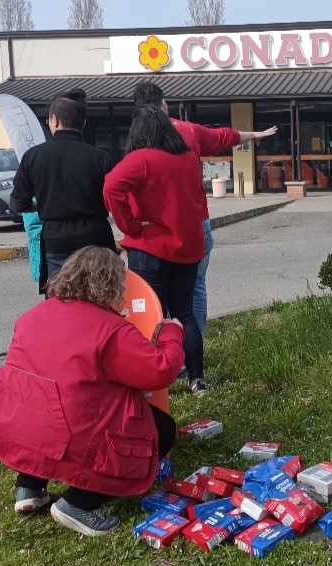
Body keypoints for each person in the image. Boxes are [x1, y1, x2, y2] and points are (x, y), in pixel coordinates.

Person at [0, 246, 184, 537]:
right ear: (113, 284)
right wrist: (171, 333)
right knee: (161, 428)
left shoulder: (33, 315)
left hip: (9, 424)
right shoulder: (111, 330)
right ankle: (78, 504)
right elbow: (159, 371)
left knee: (42, 409)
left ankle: (29, 487)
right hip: (62, 432)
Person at [132, 81, 277, 383]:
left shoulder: (139, 138)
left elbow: (120, 184)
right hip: (196, 227)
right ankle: (191, 361)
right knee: (192, 293)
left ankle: (160, 361)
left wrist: (131, 224)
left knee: (156, 298)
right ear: (165, 104)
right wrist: (256, 135)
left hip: (156, 232)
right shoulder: (188, 131)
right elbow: (225, 136)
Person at [103, 105, 209, 396]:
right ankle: (197, 378)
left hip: (150, 250)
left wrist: (131, 226)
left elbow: (111, 187)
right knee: (185, 313)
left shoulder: (141, 160)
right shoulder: (188, 157)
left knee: (150, 315)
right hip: (187, 248)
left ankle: (151, 380)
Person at [10, 89, 116, 292]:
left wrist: (42, 203)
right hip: (96, 239)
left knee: (60, 304)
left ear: (54, 120)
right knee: (100, 302)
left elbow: (18, 203)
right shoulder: (101, 158)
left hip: (56, 242)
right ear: (83, 123)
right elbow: (113, 198)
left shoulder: (33, 157)